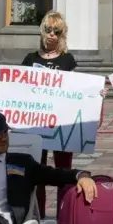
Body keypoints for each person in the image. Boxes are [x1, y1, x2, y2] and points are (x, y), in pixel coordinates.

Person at [23, 11, 78, 212]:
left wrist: (95, 92)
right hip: (36, 124)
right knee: (37, 174)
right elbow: (18, 87)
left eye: (57, 30)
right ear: (42, 31)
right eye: (48, 29)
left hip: (61, 125)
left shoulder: (67, 60)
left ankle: (64, 218)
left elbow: (76, 90)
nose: (52, 34)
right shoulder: (30, 59)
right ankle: (38, 218)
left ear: (62, 34)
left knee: (64, 172)